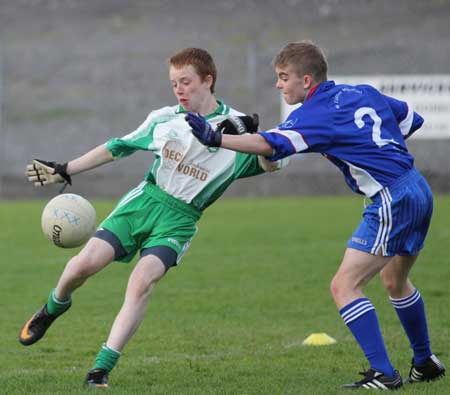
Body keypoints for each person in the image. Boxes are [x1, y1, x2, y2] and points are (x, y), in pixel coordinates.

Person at [19, 47, 287, 388]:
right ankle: (52, 308)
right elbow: (118, 146)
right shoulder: (164, 119)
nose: (179, 89)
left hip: (180, 219)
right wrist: (66, 169)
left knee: (142, 281)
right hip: (143, 203)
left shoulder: (237, 129)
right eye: (174, 83)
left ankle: (99, 371)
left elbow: (273, 163)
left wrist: (258, 140)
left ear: (208, 80)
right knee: (81, 266)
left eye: (186, 82)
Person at [186, 41, 446, 390]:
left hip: (391, 198)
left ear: (306, 80)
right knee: (394, 282)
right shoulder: (361, 92)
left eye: (283, 77)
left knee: (344, 286)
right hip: (417, 189)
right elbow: (410, 120)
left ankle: (384, 373)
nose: (279, 85)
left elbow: (270, 146)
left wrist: (217, 139)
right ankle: (425, 362)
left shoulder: (316, 114)